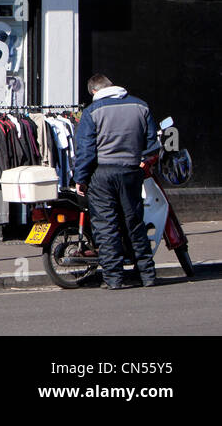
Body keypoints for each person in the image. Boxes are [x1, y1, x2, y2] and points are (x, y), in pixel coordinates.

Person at [73, 74, 161, 289]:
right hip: (131, 171)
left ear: (94, 91)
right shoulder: (140, 106)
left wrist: (80, 179)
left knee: (106, 225)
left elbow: (86, 150)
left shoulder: (92, 112)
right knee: (134, 222)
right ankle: (147, 275)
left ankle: (114, 278)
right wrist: (142, 163)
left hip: (101, 174)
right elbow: (152, 143)